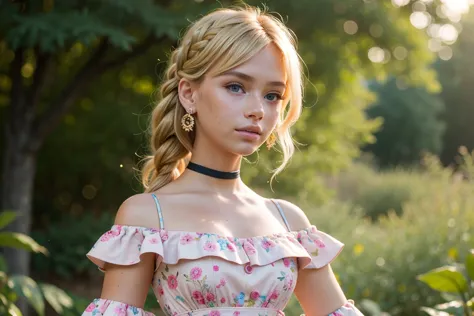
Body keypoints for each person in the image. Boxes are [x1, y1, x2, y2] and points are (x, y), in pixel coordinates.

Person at [82, 5, 364, 316]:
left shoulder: (289, 222)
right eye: (236, 87)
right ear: (189, 94)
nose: (257, 109)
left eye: (272, 95)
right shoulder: (146, 216)